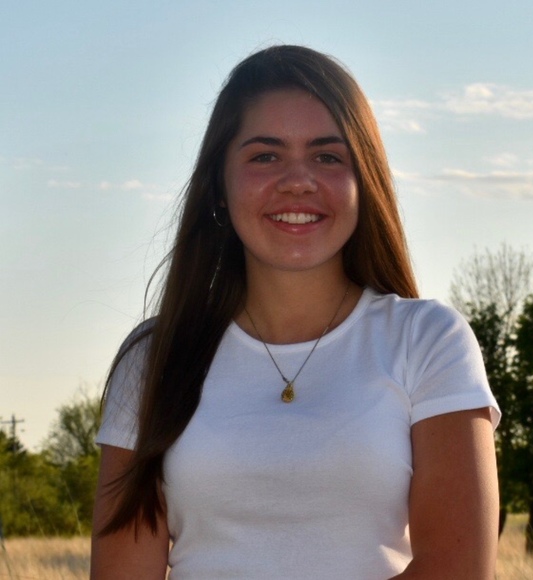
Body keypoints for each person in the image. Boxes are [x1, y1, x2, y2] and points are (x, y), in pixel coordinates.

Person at [91, 45, 501, 579]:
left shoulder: (428, 341)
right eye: (265, 156)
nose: (298, 180)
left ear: (364, 182)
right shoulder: (154, 359)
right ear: (218, 186)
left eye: (327, 156)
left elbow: (458, 569)